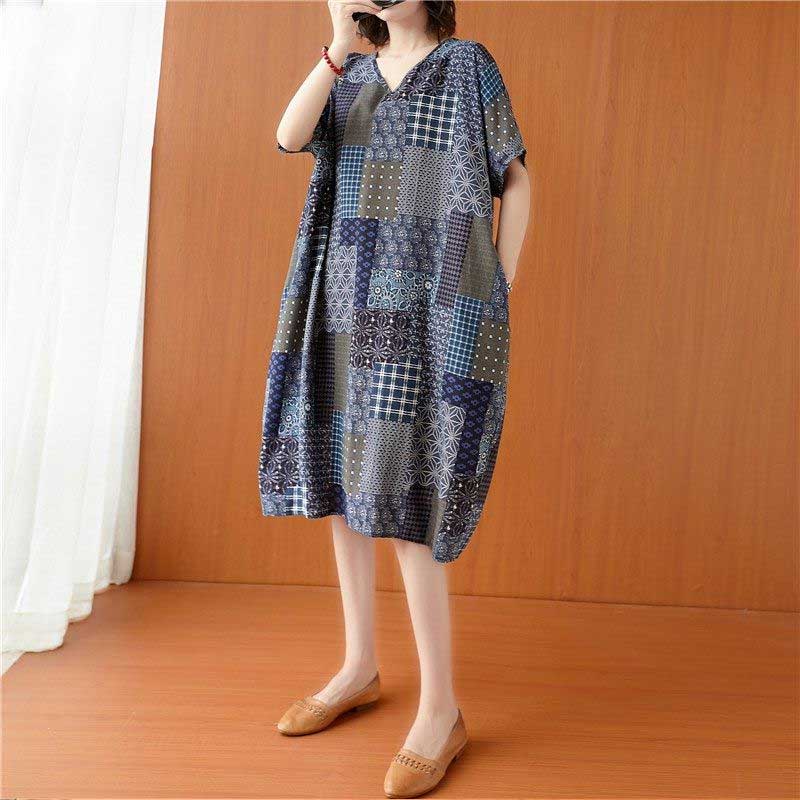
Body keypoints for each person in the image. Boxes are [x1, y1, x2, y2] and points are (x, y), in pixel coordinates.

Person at [259, 1, 530, 795]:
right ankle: (358, 666)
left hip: (433, 302)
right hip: (344, 293)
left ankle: (441, 709)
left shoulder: (466, 65)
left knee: (406, 494)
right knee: (345, 490)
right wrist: (338, 45)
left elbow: (514, 178)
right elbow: (288, 138)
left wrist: (497, 290)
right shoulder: (349, 72)